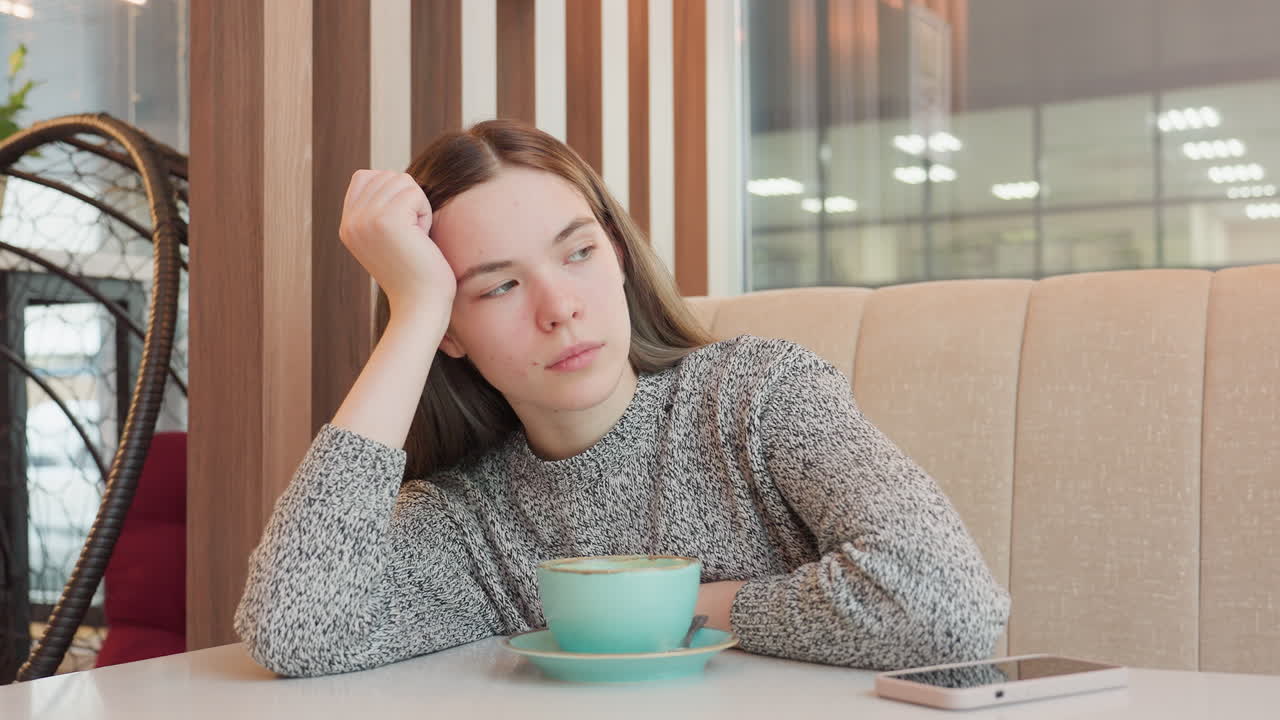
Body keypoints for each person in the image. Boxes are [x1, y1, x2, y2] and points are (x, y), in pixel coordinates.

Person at [234, 119, 1010, 678]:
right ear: (451, 331)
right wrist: (412, 315)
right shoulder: (470, 522)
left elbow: (947, 603)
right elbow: (297, 630)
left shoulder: (760, 393)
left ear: (618, 254)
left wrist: (647, 609)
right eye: (498, 286)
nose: (559, 307)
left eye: (578, 252)